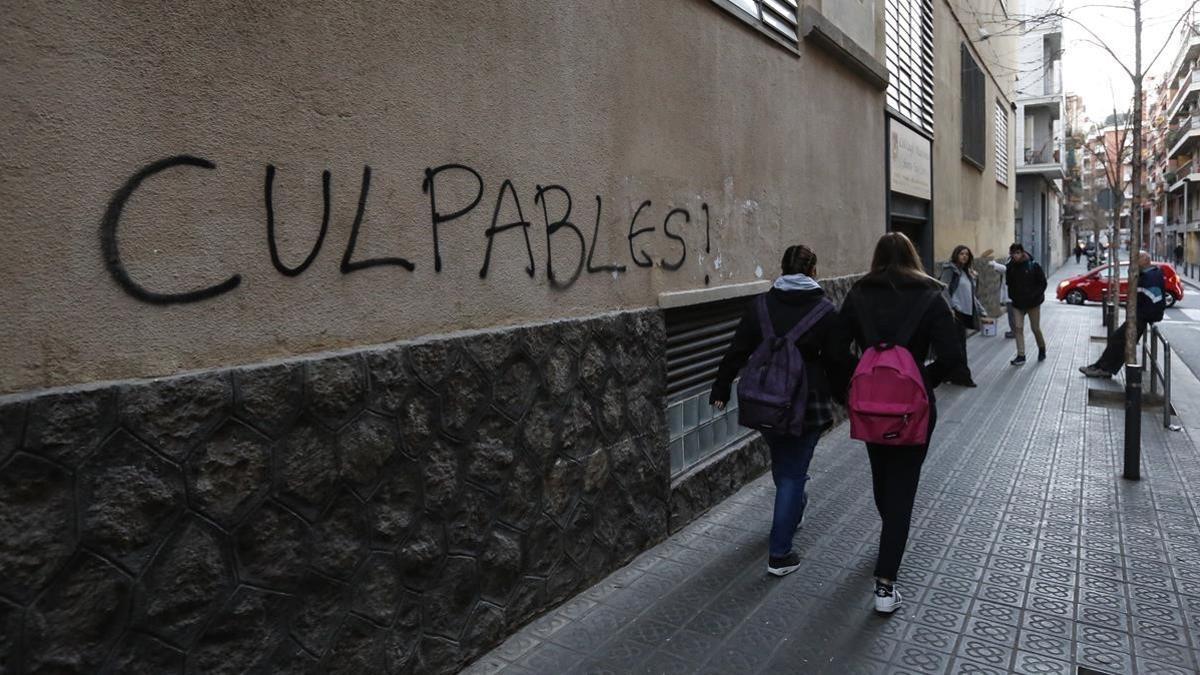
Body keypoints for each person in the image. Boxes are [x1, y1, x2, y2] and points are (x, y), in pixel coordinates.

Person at [840, 232, 968, 614]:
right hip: (914, 409)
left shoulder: (859, 292)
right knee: (904, 488)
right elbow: (952, 355)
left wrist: (863, 376)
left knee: (881, 476)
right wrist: (920, 380)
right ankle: (885, 584)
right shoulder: (931, 295)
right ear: (913, 255)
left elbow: (833, 348)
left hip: (870, 407)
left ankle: (889, 538)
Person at [710, 244, 852, 577]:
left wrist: (721, 387)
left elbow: (737, 349)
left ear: (782, 268)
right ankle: (780, 554)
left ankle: (793, 508)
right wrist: (846, 397)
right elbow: (837, 362)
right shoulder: (825, 311)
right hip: (808, 404)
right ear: (813, 271)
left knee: (785, 465)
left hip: (767, 402)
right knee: (792, 473)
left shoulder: (760, 305)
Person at [1080, 251, 1167, 378]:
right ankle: (1101, 367)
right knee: (1118, 339)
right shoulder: (1149, 274)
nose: (1134, 262)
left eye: (1137, 259)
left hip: (1143, 315)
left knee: (1119, 340)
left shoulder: (1150, 277)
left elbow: (1150, 299)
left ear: (1145, 260)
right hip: (1142, 314)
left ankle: (1104, 369)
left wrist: (1140, 313)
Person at [937, 245, 981, 386]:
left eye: (967, 254)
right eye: (961, 253)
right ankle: (963, 377)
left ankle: (946, 374)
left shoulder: (967, 272)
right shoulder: (950, 270)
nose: (964, 256)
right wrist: (952, 307)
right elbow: (943, 289)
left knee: (955, 345)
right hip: (955, 313)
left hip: (965, 312)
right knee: (960, 345)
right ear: (956, 255)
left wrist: (981, 310)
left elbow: (972, 294)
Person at [1005, 243, 1048, 365]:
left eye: (1018, 253)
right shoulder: (1010, 267)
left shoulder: (1033, 265)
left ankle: (1042, 348)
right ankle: (1021, 355)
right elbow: (1009, 283)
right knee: (1018, 328)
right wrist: (1013, 296)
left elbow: (1043, 283)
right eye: (1013, 253)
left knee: (1035, 328)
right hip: (1017, 304)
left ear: (1022, 252)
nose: (1016, 256)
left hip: (1033, 303)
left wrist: (1034, 296)